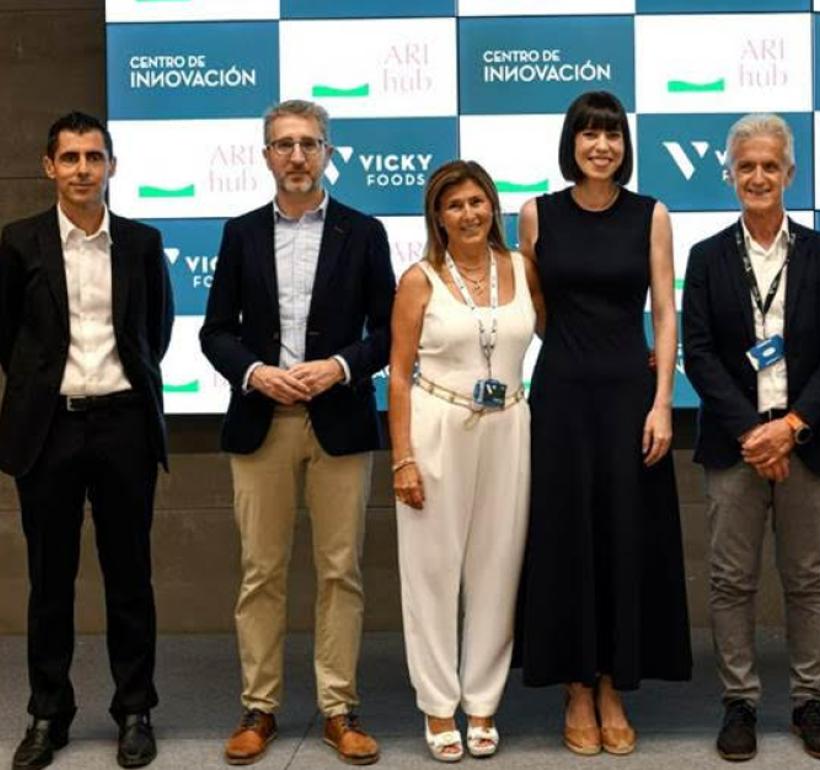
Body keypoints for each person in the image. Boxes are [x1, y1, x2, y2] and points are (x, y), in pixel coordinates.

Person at [199, 99, 395, 766]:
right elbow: (214, 331)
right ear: (265, 156)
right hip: (261, 424)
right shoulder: (240, 232)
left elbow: (392, 331)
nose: (297, 156)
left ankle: (339, 709)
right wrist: (255, 373)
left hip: (339, 422)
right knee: (262, 571)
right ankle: (261, 707)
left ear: (329, 153)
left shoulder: (363, 233)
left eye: (310, 143)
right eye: (283, 144)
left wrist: (339, 367)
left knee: (341, 571)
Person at [513, 89, 692, 756]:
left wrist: (663, 402)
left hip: (628, 396)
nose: (601, 146)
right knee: (564, 538)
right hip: (558, 392)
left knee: (622, 535)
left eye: (612, 134)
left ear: (625, 144)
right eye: (589, 134)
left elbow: (666, 315)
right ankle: (574, 686)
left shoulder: (651, 213)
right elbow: (530, 312)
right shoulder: (536, 214)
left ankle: (612, 682)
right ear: (572, 142)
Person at [682, 113, 820, 762]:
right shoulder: (704, 258)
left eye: (770, 166)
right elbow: (698, 354)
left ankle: (810, 701)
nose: (758, 176)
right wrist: (752, 433)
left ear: (790, 174)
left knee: (808, 578)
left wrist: (788, 427)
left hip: (807, 440)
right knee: (732, 580)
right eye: (746, 166)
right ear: (729, 174)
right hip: (734, 446)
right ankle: (741, 703)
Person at [1, 110, 173, 770]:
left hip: (124, 424)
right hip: (49, 431)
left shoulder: (141, 242)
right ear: (49, 167)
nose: (81, 169)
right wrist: (48, 389)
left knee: (131, 576)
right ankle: (49, 713)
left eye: (92, 157)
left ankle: (135, 710)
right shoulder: (19, 241)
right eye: (68, 158)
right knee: (50, 580)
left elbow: (153, 332)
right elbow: (9, 337)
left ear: (111, 166)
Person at [388, 160, 543, 762]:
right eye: (454, 205)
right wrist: (403, 459)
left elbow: (564, 335)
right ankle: (436, 704)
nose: (469, 214)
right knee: (431, 572)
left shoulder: (524, 270)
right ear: (438, 217)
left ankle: (482, 703)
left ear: (493, 206)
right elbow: (398, 376)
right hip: (436, 429)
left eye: (477, 201)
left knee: (497, 568)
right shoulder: (419, 279)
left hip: (510, 427)